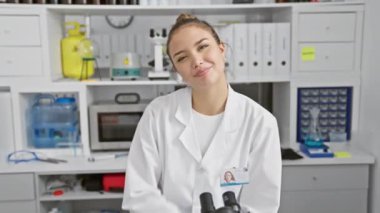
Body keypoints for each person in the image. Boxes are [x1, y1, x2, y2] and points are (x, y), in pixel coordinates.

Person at [122, 13, 282, 213]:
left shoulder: (260, 122)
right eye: (182, 58)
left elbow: (262, 205)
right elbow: (139, 195)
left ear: (221, 49)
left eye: (203, 47)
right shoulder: (157, 114)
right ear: (177, 70)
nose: (196, 61)